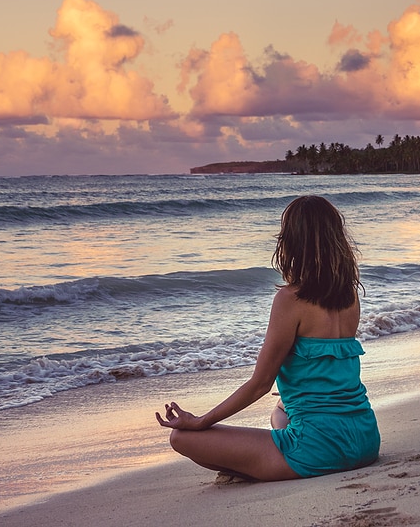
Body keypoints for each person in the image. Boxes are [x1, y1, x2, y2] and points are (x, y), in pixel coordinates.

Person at [155, 195, 380, 481]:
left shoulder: (290, 300)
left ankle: (258, 469)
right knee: (281, 410)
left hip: (318, 449)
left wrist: (200, 421)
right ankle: (263, 463)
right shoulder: (349, 296)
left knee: (181, 439)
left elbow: (260, 384)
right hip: (365, 439)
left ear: (291, 242)